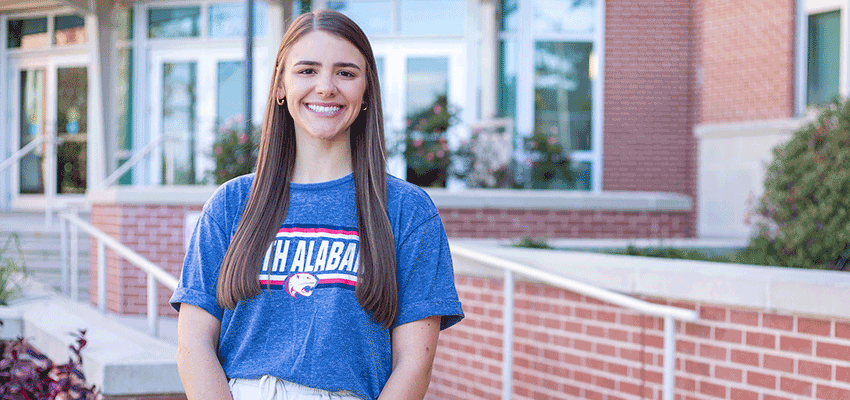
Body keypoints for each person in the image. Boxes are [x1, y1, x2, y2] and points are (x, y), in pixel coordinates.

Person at [169, 9, 464, 400]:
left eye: (345, 72)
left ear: (366, 91)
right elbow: (193, 345)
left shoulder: (407, 211)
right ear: (280, 85)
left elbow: (414, 364)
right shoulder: (230, 205)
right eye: (307, 70)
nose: (325, 87)